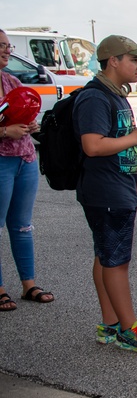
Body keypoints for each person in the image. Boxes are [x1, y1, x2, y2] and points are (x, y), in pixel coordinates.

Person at [74, 35, 137, 352]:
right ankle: (128, 330)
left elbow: (117, 146)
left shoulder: (115, 94)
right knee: (116, 262)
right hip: (105, 192)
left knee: (106, 257)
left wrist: (135, 184)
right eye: (134, 60)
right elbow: (93, 145)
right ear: (113, 61)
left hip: (118, 187)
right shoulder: (96, 98)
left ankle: (111, 322)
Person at [0, 29, 53, 311]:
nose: (7, 50)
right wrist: (4, 131)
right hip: (1, 160)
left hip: (25, 158)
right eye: (1, 46)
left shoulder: (12, 80)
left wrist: (32, 126)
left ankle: (28, 284)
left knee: (22, 225)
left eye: (8, 46)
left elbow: (26, 113)